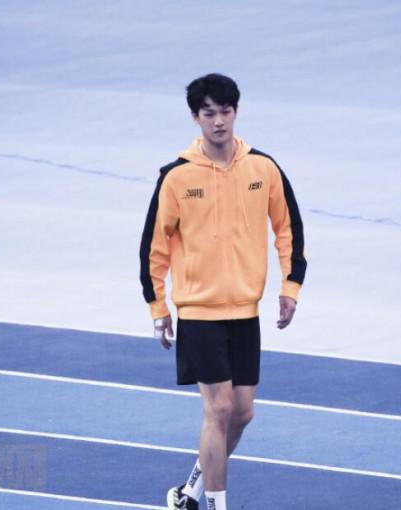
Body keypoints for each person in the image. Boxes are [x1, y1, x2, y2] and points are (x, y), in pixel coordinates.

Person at [139, 73, 306, 510]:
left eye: (225, 111)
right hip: (199, 313)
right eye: (209, 113)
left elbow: (288, 227)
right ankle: (215, 505)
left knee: (242, 412)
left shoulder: (263, 168)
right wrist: (158, 306)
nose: (218, 121)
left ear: (236, 112)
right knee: (218, 410)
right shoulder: (176, 177)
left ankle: (189, 495)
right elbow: (153, 247)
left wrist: (290, 285)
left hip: (245, 312)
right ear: (195, 117)